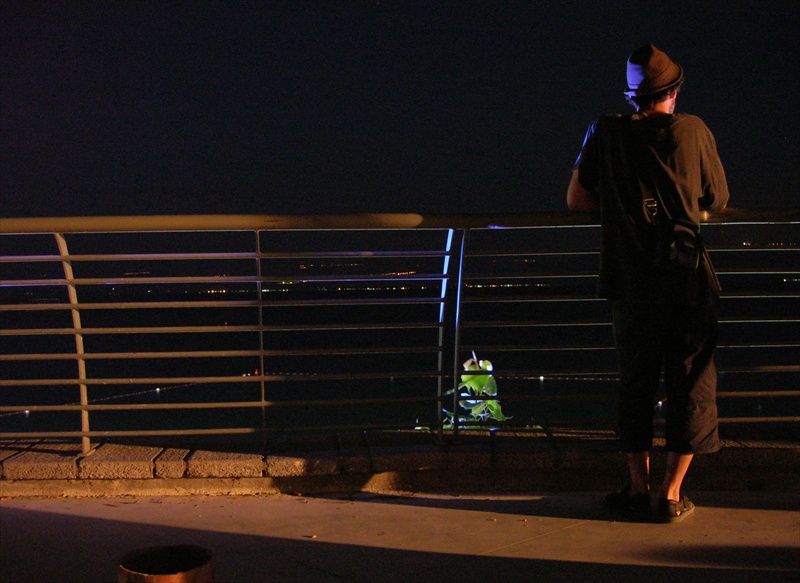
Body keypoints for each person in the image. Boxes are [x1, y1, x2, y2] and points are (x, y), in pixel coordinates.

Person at [567, 44, 729, 523]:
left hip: (631, 281)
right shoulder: (693, 130)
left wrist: (622, 208)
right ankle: (671, 495)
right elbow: (716, 199)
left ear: (632, 96)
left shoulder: (605, 130)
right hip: (685, 280)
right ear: (674, 91)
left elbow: (577, 199)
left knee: (635, 384)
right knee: (691, 383)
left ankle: (637, 489)